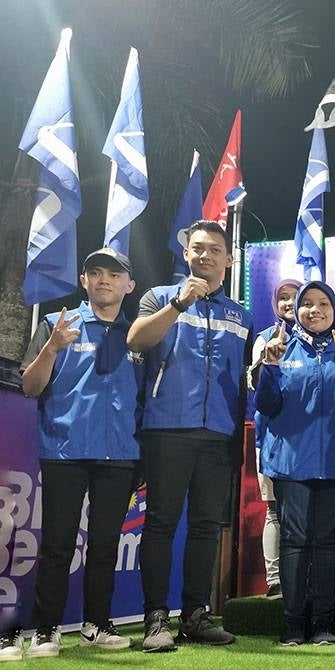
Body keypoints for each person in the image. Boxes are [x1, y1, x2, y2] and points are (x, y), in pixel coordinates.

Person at [127, 220, 251, 652]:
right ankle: (155, 618)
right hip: (167, 429)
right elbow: (136, 340)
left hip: (219, 435)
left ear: (228, 259)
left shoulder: (241, 314)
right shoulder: (158, 296)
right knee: (160, 525)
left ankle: (195, 615)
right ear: (186, 254)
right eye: (198, 248)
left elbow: (243, 377)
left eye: (215, 250)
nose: (205, 256)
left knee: (204, 528)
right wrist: (178, 305)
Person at [12, 248, 139, 659]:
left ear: (129, 285)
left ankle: (96, 625)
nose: (104, 280)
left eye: (114, 274)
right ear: (84, 281)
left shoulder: (137, 334)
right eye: (95, 273)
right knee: (58, 545)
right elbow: (29, 388)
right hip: (64, 452)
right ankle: (45, 630)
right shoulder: (57, 324)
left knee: (104, 546)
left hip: (119, 455)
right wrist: (51, 347)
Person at [255, 281, 335, 645]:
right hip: (291, 463)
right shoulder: (280, 347)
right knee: (295, 540)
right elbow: (266, 406)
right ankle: (292, 624)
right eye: (307, 304)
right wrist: (269, 365)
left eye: (323, 304)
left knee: (327, 542)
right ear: (296, 310)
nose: (314, 310)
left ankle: (323, 623)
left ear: (334, 311)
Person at [248, 277, 302, 600]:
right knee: (274, 510)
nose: (288, 303)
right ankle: (275, 581)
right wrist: (269, 359)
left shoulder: (317, 339)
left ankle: (301, 577)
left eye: (295, 297)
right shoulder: (264, 338)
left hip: (305, 441)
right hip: (269, 438)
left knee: (300, 513)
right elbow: (256, 385)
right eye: (283, 297)